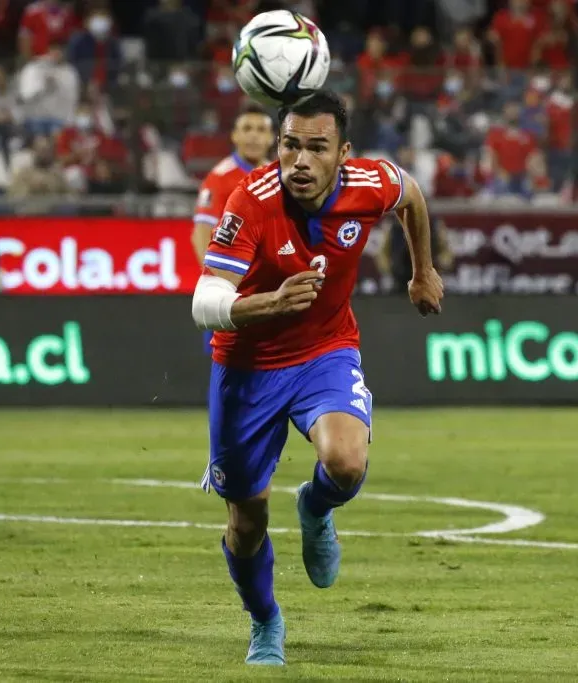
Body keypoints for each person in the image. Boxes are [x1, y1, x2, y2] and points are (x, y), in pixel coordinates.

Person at [190, 90, 444, 666]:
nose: (299, 160)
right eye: (290, 145)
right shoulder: (249, 200)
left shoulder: (368, 182)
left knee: (347, 463)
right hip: (245, 367)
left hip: (325, 350)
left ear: (343, 153)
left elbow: (413, 195)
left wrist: (422, 271)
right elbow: (206, 302)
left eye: (316, 148)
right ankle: (265, 622)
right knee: (246, 521)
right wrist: (269, 305)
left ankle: (316, 506)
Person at [191, 103, 274, 354]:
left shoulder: (279, 175)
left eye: (261, 129)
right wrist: (219, 287)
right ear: (234, 135)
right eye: (247, 128)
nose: (254, 135)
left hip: (268, 291)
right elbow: (200, 235)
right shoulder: (219, 178)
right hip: (232, 293)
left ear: (271, 138)